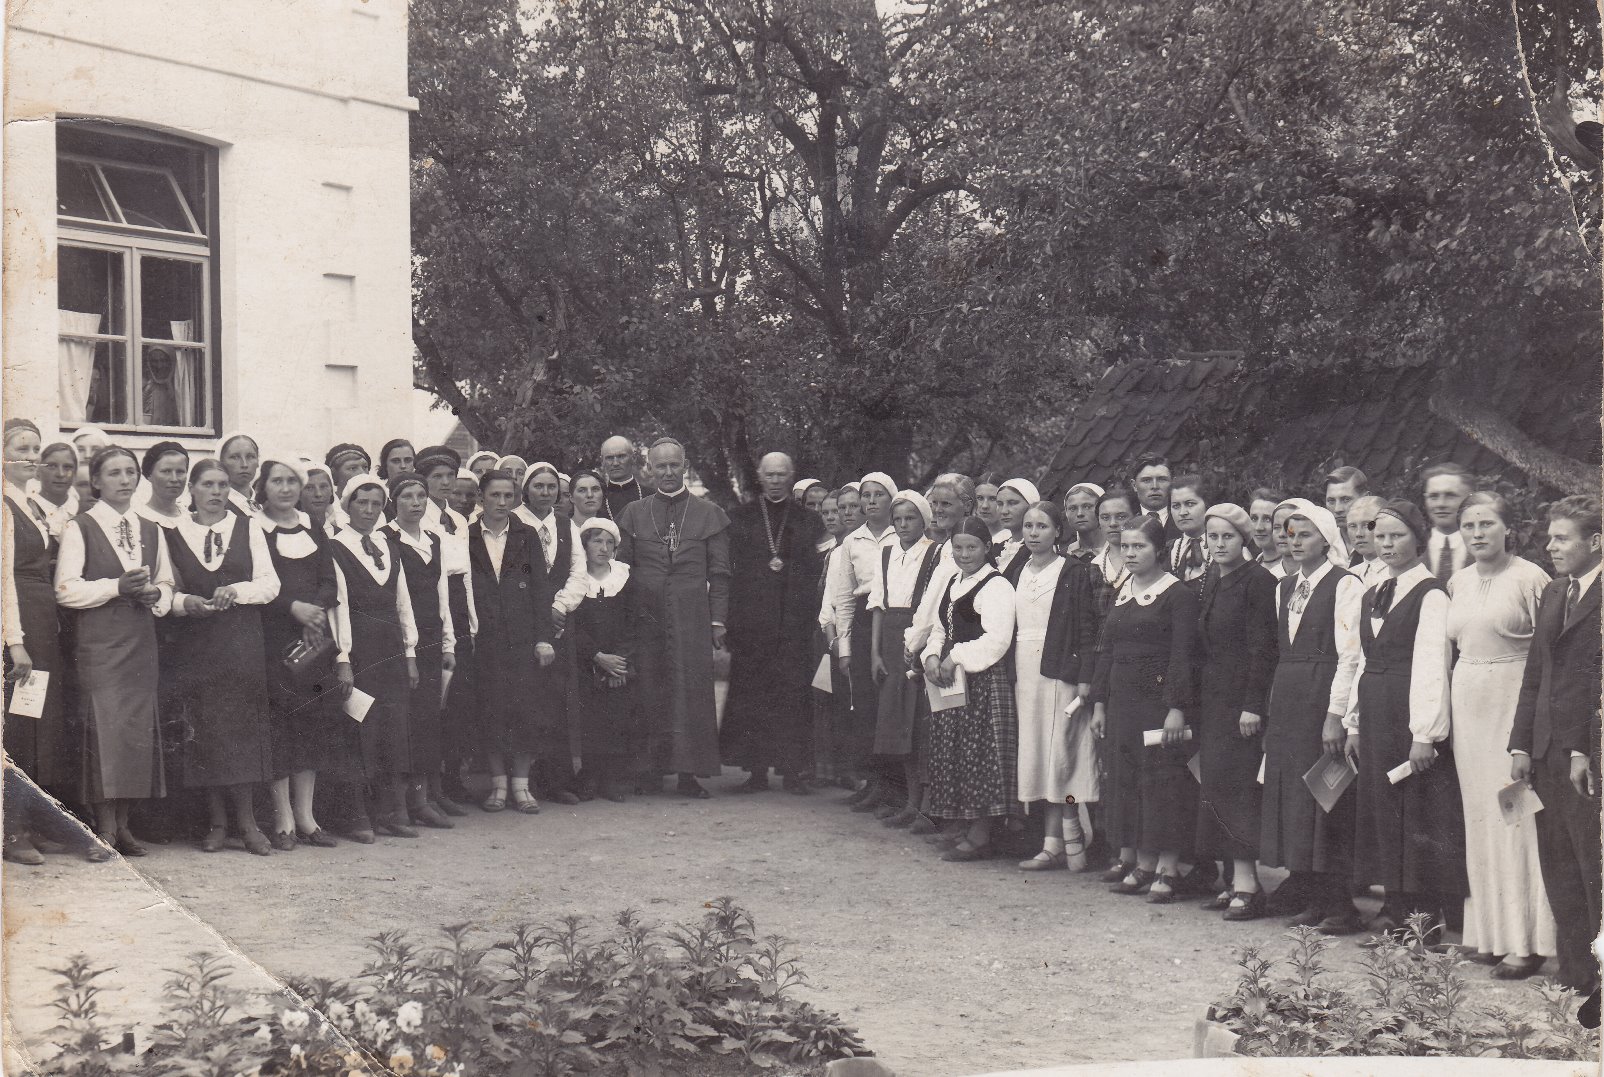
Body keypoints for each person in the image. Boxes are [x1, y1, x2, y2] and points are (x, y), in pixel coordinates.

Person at [1444, 492, 1555, 977]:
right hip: (1469, 705)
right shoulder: (1457, 581)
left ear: (1508, 528)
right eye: (1468, 525)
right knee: (1480, 819)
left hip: (1513, 703)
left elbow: (1551, 657)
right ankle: (1487, 934)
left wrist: (1527, 734)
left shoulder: (1532, 578)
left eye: (1487, 523)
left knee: (1516, 817)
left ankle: (1525, 943)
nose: (1477, 533)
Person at [1345, 499, 1467, 940]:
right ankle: (1395, 912)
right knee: (1383, 811)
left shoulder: (1430, 593)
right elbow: (1364, 658)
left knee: (1415, 814)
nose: (1387, 544)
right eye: (1380, 537)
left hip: (1408, 712)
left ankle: (1423, 921)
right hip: (1376, 712)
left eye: (1396, 536)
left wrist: (1425, 735)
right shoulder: (1376, 589)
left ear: (1417, 537)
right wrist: (1354, 723)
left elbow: (1433, 664)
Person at [55, 446, 178, 857]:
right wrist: (115, 587)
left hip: (140, 641)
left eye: (130, 472)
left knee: (133, 733)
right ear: (97, 482)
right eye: (114, 473)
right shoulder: (82, 527)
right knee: (103, 730)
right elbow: (66, 589)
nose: (124, 480)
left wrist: (153, 594)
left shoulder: (150, 528)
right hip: (100, 644)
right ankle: (102, 829)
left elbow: (167, 584)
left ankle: (124, 826)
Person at [1258, 499, 1366, 930]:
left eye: (1305, 534)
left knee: (1327, 796)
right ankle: (1311, 896)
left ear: (1326, 538)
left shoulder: (1345, 584)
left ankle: (1341, 905)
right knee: (1295, 799)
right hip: (1288, 698)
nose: (1295, 541)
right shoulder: (1284, 586)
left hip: (1321, 695)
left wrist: (1335, 714)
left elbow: (1350, 655)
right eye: (1289, 534)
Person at [1509, 494, 1601, 994]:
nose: (1550, 546)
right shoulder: (1554, 593)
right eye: (1551, 536)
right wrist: (1521, 744)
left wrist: (1587, 750)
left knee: (1594, 867)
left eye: (1562, 538)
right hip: (1544, 751)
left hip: (1587, 757)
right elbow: (1535, 676)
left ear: (1596, 541)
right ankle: (1575, 974)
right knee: (1559, 865)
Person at [166, 459, 280, 855]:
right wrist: (185, 602)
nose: (216, 492)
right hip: (198, 643)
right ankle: (216, 823)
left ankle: (248, 824)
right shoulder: (173, 532)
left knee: (242, 730)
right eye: (207, 485)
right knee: (207, 730)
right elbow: (165, 589)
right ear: (192, 490)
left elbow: (270, 584)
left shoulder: (247, 527)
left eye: (222, 485)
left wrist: (237, 591)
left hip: (241, 642)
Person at [1090, 514, 1199, 903]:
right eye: (1126, 547)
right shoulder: (1124, 590)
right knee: (1127, 782)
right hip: (1122, 702)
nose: (1131, 553)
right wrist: (1099, 701)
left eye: (1140, 547)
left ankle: (1168, 868)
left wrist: (1176, 707)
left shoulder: (1178, 595)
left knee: (1163, 785)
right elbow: (1108, 650)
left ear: (1160, 551)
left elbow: (1183, 655)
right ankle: (1142, 861)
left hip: (1157, 705)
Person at [615, 439, 730, 798]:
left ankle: (688, 775)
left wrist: (718, 622)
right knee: (649, 689)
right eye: (660, 466)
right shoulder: (634, 512)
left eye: (674, 466)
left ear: (685, 467)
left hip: (692, 615)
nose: (667, 472)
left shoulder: (709, 513)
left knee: (689, 692)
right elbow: (622, 569)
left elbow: (721, 573)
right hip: (645, 614)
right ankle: (648, 771)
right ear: (649, 468)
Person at [721, 453, 826, 793]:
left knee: (792, 697)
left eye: (782, 475)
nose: (776, 480)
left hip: (794, 623)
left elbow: (818, 574)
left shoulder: (809, 520)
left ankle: (793, 772)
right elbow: (731, 574)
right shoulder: (741, 518)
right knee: (753, 697)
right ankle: (756, 771)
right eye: (770, 475)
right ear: (760, 476)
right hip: (752, 624)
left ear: (792, 476)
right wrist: (731, 624)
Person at [1192, 504, 1278, 919]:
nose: (1220, 544)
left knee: (1239, 788)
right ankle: (1233, 879)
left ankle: (1248, 883)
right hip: (1213, 699)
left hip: (1241, 702)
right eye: (1213, 537)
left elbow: (1263, 649)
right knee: (1216, 787)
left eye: (1228, 536)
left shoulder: (1258, 581)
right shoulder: (1212, 579)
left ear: (1243, 539)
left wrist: (1252, 705)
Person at [255, 457, 344, 849]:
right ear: (265, 486)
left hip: (314, 641)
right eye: (278, 481)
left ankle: (307, 817)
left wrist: (315, 610)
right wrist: (294, 608)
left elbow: (330, 581)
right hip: (273, 639)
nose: (287, 488)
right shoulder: (254, 528)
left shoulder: (314, 528)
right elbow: (257, 582)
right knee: (280, 727)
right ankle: (283, 819)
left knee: (311, 725)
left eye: (293, 481)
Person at [328, 475, 421, 839]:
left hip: (391, 651)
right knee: (359, 731)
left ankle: (390, 810)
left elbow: (403, 603)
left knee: (393, 729)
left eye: (376, 504)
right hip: (360, 652)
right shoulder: (335, 548)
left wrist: (410, 652)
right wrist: (343, 658)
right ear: (347, 506)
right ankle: (356, 815)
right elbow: (340, 606)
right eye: (361, 503)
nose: (368, 511)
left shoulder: (389, 546)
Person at [922, 516, 1019, 862]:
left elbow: (997, 639)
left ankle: (982, 834)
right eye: (958, 548)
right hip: (954, 681)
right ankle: (962, 827)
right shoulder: (953, 581)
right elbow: (939, 628)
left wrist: (957, 656)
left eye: (972, 547)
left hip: (983, 681)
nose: (964, 554)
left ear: (986, 548)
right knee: (956, 753)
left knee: (981, 756)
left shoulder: (996, 586)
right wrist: (932, 656)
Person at [1012, 502, 1099, 872]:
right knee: (1037, 752)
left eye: (1042, 526)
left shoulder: (1073, 571)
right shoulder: (1016, 570)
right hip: (1024, 668)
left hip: (1060, 666)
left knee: (1061, 751)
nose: (1033, 533)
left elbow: (1085, 626)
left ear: (1057, 532)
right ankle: (1052, 842)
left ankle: (1069, 832)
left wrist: (1083, 677)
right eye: (1029, 526)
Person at [467, 470, 559, 814]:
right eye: (495, 496)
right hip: (485, 638)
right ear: (481, 497)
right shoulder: (468, 535)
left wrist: (543, 638)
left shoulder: (527, 534)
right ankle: (498, 785)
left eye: (509, 496)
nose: (503, 503)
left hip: (521, 639)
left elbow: (540, 591)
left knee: (524, 710)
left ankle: (521, 786)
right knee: (490, 711)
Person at [3, 420, 69, 865]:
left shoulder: (32, 504)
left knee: (38, 723)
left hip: (43, 622)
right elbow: (4, 576)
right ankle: (12, 831)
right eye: (21, 448)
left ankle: (30, 820)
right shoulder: (4, 505)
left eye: (35, 448)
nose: (31, 455)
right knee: (19, 726)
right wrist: (15, 642)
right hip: (22, 622)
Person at [384, 472, 457, 828]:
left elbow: (443, 593)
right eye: (407, 496)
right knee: (403, 722)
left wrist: (448, 643)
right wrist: (407, 647)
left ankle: (423, 799)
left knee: (428, 719)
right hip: (399, 641)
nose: (415, 503)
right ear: (393, 502)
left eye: (420, 496)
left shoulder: (434, 538)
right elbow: (396, 599)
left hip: (431, 638)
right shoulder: (386, 539)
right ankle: (398, 805)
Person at [868, 490, 942, 826]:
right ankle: (908, 801)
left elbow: (931, 608)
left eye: (910, 518)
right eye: (897, 519)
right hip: (890, 643)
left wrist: (919, 648)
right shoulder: (884, 553)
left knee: (919, 725)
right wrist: (874, 653)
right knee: (897, 726)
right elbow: (878, 607)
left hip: (919, 638)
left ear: (924, 520)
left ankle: (924, 804)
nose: (902, 525)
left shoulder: (936, 553)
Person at [829, 472, 900, 809]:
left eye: (878, 495)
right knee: (865, 705)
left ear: (891, 498)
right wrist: (844, 648)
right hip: (861, 619)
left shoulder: (902, 534)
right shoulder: (851, 542)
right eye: (866, 495)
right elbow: (843, 597)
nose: (871, 501)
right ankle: (872, 782)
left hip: (893, 618)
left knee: (892, 702)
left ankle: (893, 785)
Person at [517, 462, 587, 803]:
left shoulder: (564, 524)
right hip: (524, 621)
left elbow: (578, 570)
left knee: (557, 699)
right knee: (527, 699)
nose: (545, 492)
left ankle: (557, 781)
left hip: (560, 622)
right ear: (526, 489)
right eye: (538, 486)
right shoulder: (514, 521)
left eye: (550, 487)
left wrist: (560, 607)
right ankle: (523, 781)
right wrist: (540, 613)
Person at [416, 446, 475, 813]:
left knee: (458, 700)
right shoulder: (418, 518)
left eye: (448, 476)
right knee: (431, 699)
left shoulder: (459, 520)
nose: (443, 483)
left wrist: (470, 618)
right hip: (430, 606)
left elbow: (464, 573)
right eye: (436, 477)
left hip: (457, 603)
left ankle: (452, 779)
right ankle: (430, 786)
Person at [572, 518, 641, 801]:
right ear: (585, 545)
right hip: (586, 661)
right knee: (589, 720)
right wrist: (597, 657)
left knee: (617, 718)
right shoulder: (575, 579)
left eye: (609, 543)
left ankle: (612, 780)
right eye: (596, 541)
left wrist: (620, 662)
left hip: (620, 664)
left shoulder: (625, 577)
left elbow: (635, 623)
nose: (603, 548)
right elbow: (571, 623)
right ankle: (589, 776)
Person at [1421, 463, 1474, 581]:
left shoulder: (1489, 550)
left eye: (1450, 496)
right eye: (1433, 496)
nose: (1440, 504)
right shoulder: (1413, 549)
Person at [1167, 475, 1210, 585]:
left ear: (1207, 504)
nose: (1182, 512)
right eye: (1176, 506)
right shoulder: (1166, 550)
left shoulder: (1225, 548)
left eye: (1190, 504)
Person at [992, 478, 1039, 577]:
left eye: (1012, 503)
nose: (1004, 511)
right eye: (1000, 504)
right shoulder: (997, 548)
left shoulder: (1038, 550)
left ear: (1031, 505)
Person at [1131, 452, 1181, 544]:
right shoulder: (1126, 521)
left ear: (1173, 483)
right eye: (1147, 480)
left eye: (1162, 479)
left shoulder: (1184, 520)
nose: (1155, 486)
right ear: (1134, 485)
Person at [33, 442, 80, 539]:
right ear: (37, 471)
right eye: (52, 466)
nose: (61, 474)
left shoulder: (84, 510)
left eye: (67, 467)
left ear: (75, 473)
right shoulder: (27, 511)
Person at [137, 442, 189, 526]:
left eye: (180, 471)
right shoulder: (139, 520)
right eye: (166, 471)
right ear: (150, 475)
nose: (174, 479)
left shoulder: (191, 519)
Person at [324, 444, 372, 533]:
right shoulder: (327, 511)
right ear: (334, 475)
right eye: (353, 468)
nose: (362, 473)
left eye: (365, 467)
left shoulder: (377, 511)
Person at [599, 436, 648, 521]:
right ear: (602, 462)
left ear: (633, 458)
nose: (615, 463)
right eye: (609, 458)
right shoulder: (597, 500)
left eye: (621, 456)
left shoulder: (651, 496)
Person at [1346, 495, 1390, 587]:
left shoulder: (1400, 574)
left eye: (1366, 525)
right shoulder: (1348, 576)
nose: (1358, 534)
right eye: (1352, 526)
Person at [1248, 489, 1289, 578]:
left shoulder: (1291, 570)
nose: (1258, 527)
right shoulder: (1252, 564)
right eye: (1254, 518)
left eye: (1267, 519)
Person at [218, 433, 261, 516]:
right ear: (221, 463)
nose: (244, 464)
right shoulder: (218, 509)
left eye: (250, 457)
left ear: (258, 461)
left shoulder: (265, 505)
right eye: (235, 457)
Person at [1061, 482, 1105, 560]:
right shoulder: (1063, 557)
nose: (1079, 513)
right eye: (1073, 508)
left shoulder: (1120, 551)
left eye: (1087, 507)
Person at [1323, 466, 1368, 535]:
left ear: (1366, 499)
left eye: (1346, 499)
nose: (1337, 509)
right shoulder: (1324, 543)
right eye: (1331, 501)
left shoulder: (1384, 541)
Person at [299, 459, 338, 536]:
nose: (318, 494)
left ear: (331, 491)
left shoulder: (341, 535)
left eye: (323, 487)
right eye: (309, 487)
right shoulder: (291, 536)